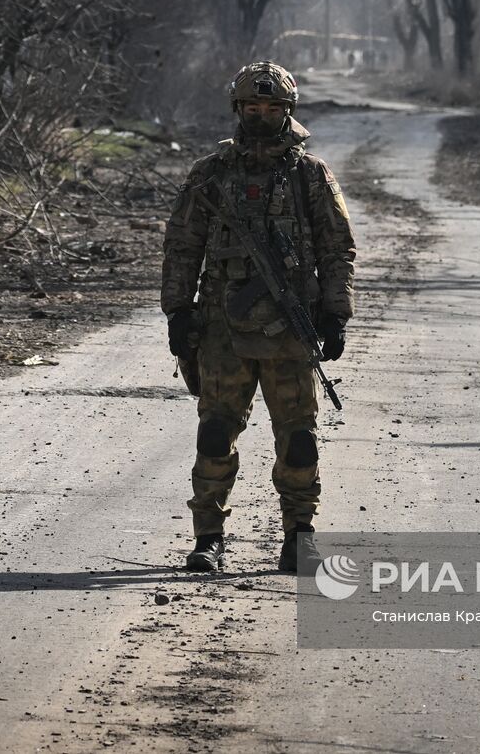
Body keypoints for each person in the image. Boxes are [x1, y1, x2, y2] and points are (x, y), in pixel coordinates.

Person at [162, 61, 356, 574]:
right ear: (238, 110)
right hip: (223, 327)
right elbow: (183, 246)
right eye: (254, 107)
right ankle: (208, 537)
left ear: (287, 112)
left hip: (291, 330)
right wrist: (178, 311)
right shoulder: (210, 173)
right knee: (214, 433)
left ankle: (299, 534)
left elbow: (338, 250)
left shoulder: (310, 176)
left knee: (298, 438)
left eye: (273, 109)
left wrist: (336, 313)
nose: (263, 116)